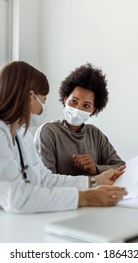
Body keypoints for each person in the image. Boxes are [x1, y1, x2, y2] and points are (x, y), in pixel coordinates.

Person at [0, 61, 127, 214]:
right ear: (30, 97)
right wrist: (85, 197)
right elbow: (17, 199)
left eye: (86, 105)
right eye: (44, 100)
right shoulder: (45, 132)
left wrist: (94, 180)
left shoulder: (22, 134)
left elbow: (46, 179)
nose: (44, 108)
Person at [34, 63, 125, 176]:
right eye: (74, 101)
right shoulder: (48, 133)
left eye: (86, 105)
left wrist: (95, 169)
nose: (78, 109)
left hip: (96, 194)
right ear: (65, 99)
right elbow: (46, 180)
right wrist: (90, 181)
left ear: (93, 109)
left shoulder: (95, 134)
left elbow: (121, 167)